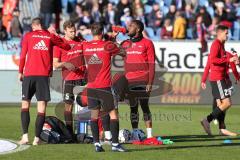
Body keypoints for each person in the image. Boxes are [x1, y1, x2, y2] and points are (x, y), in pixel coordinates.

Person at [18, 17, 71, 145]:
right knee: (41, 108)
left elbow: (23, 55)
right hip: (42, 76)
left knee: (25, 105)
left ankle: (25, 137)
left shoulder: (28, 36)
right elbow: (67, 46)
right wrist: (56, 34)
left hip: (29, 74)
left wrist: (20, 71)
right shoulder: (50, 36)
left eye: (32, 27)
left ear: (35, 26)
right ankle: (37, 139)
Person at [82, 23, 127, 152]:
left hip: (91, 87)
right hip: (105, 86)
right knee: (113, 115)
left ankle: (97, 144)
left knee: (94, 116)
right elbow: (123, 52)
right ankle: (115, 144)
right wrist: (115, 40)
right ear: (102, 32)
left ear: (91, 32)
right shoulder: (108, 45)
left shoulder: (86, 45)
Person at [200, 25, 239, 135]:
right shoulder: (216, 44)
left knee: (223, 105)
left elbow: (226, 60)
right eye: (226, 33)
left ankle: (222, 128)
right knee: (226, 103)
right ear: (219, 33)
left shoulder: (221, 45)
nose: (228, 35)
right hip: (217, 78)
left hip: (222, 79)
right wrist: (229, 59)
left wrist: (235, 61)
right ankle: (207, 120)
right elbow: (212, 60)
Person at [53, 20, 86, 140]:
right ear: (65, 31)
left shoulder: (81, 41)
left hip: (82, 79)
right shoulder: (60, 44)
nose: (73, 33)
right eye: (71, 31)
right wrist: (66, 64)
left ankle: (90, 133)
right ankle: (69, 134)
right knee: (69, 107)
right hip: (68, 80)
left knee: (89, 106)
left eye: (74, 31)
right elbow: (55, 64)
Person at [124, 20, 155, 138]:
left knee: (144, 106)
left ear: (138, 29)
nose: (128, 27)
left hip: (143, 80)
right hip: (129, 80)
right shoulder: (125, 43)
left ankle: (150, 136)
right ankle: (136, 133)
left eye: (131, 26)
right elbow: (111, 48)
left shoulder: (147, 43)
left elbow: (152, 64)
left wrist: (150, 82)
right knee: (133, 108)